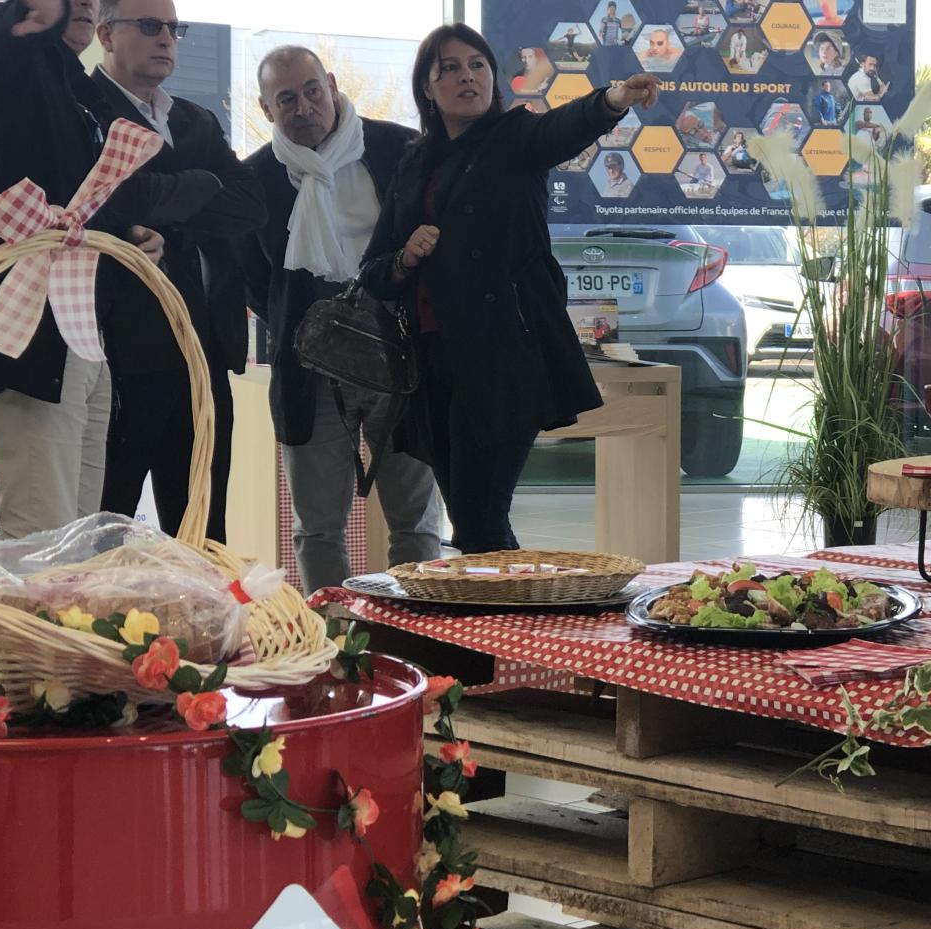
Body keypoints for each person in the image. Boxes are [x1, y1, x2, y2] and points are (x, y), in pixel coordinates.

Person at [364, 25, 661, 553]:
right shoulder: (412, 163)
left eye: (477, 65)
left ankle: (495, 629)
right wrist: (406, 257)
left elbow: (559, 129)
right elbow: (375, 271)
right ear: (427, 89)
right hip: (430, 366)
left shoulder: (512, 139)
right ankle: (512, 624)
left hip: (502, 359)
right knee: (476, 521)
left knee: (479, 521)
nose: (466, 77)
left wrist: (612, 100)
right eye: (449, 68)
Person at [0, 0, 172, 540]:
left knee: (77, 544)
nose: (84, 5)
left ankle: (63, 628)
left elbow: (71, 194)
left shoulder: (78, 91)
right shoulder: (5, 52)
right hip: (29, 333)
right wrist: (28, 15)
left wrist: (127, 235)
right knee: (38, 541)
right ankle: (28, 629)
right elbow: (1, 36)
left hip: (84, 336)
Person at [236, 45, 443, 593]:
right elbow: (256, 279)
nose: (303, 106)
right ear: (266, 109)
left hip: (402, 363)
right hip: (310, 370)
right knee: (318, 529)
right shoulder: (255, 179)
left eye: (311, 91)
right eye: (286, 99)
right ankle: (331, 647)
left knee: (417, 520)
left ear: (330, 85)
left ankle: (416, 640)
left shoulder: (399, 150)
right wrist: (308, 324)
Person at [91, 0, 265, 543]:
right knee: (103, 530)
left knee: (205, 534)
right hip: (118, 357)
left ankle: (203, 630)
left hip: (201, 354)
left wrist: (165, 205)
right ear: (105, 34)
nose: (166, 38)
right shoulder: (82, 111)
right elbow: (108, 200)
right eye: (149, 26)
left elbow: (251, 204)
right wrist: (198, 186)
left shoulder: (194, 119)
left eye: (173, 27)